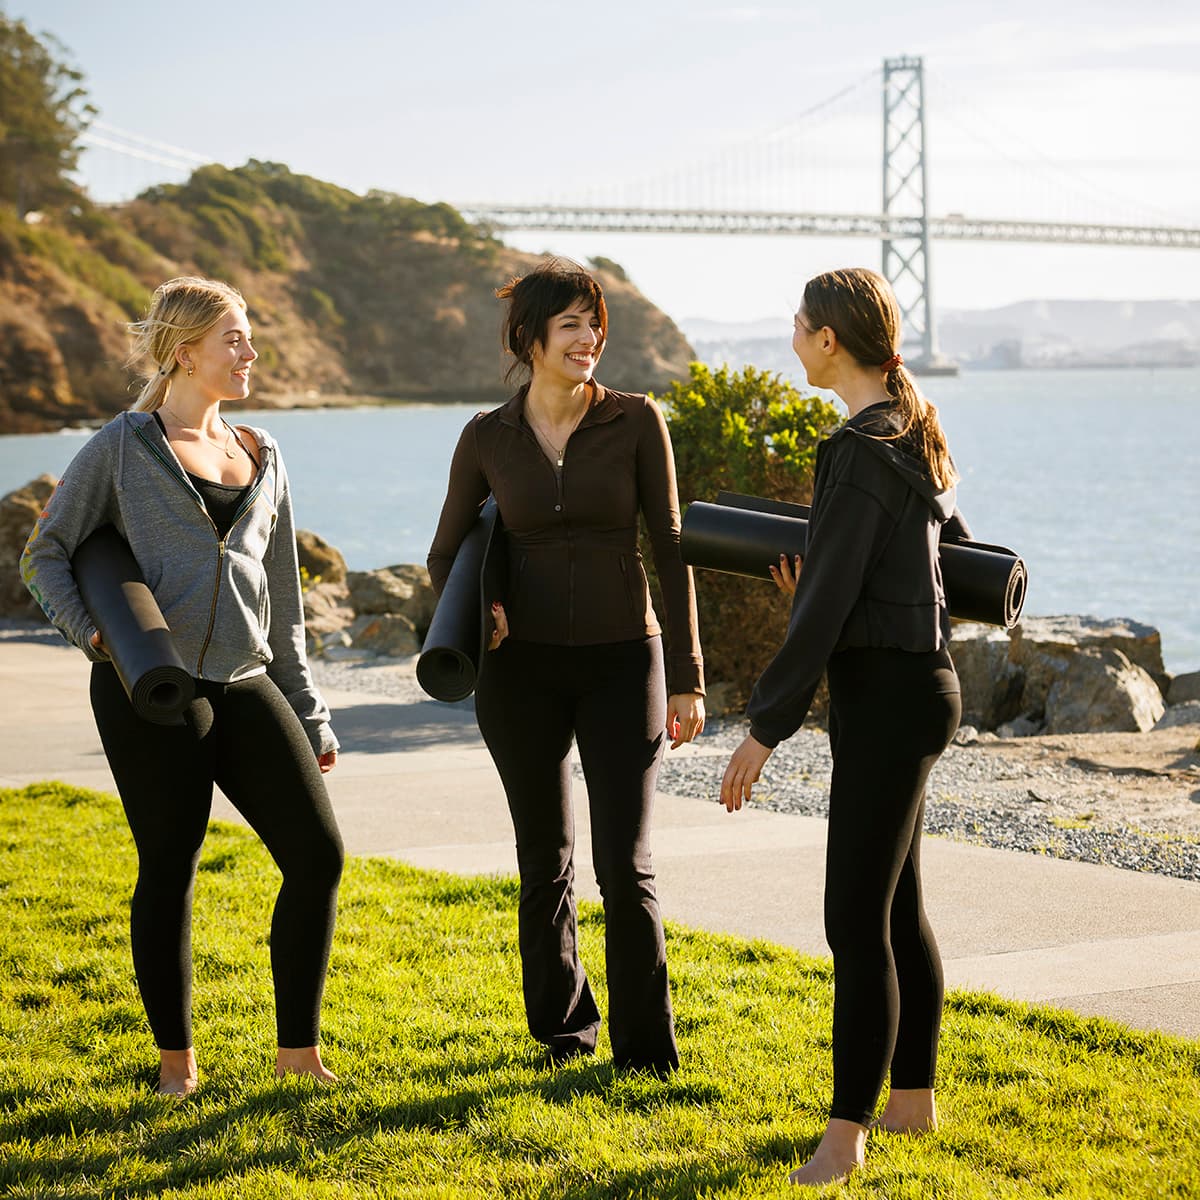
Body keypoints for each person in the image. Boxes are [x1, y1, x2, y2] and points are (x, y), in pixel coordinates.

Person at [20, 276, 344, 1097]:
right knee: (172, 863)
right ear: (184, 349)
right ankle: (176, 1067)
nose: (251, 353)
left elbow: (286, 599)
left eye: (250, 337)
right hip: (154, 689)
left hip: (245, 677)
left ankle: (299, 1057)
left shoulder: (264, 452)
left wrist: (310, 711)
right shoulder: (123, 445)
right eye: (235, 338)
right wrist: (95, 635)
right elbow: (44, 552)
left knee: (318, 857)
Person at [720, 267, 968, 1186]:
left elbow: (827, 607)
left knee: (852, 918)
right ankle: (913, 1105)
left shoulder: (859, 448)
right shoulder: (911, 433)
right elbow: (912, 567)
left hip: (889, 699)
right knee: (896, 907)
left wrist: (763, 730)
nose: (791, 333)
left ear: (829, 340)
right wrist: (822, 577)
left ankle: (844, 1136)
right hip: (918, 688)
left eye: (798, 322)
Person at [428, 258, 705, 1073]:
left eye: (596, 324)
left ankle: (646, 1051)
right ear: (532, 338)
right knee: (544, 859)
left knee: (626, 862)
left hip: (626, 660)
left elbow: (674, 548)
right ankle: (562, 1032)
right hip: (522, 674)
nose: (590, 339)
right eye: (573, 325)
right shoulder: (487, 435)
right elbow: (445, 554)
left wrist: (688, 675)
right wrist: (487, 613)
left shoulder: (635, 420)